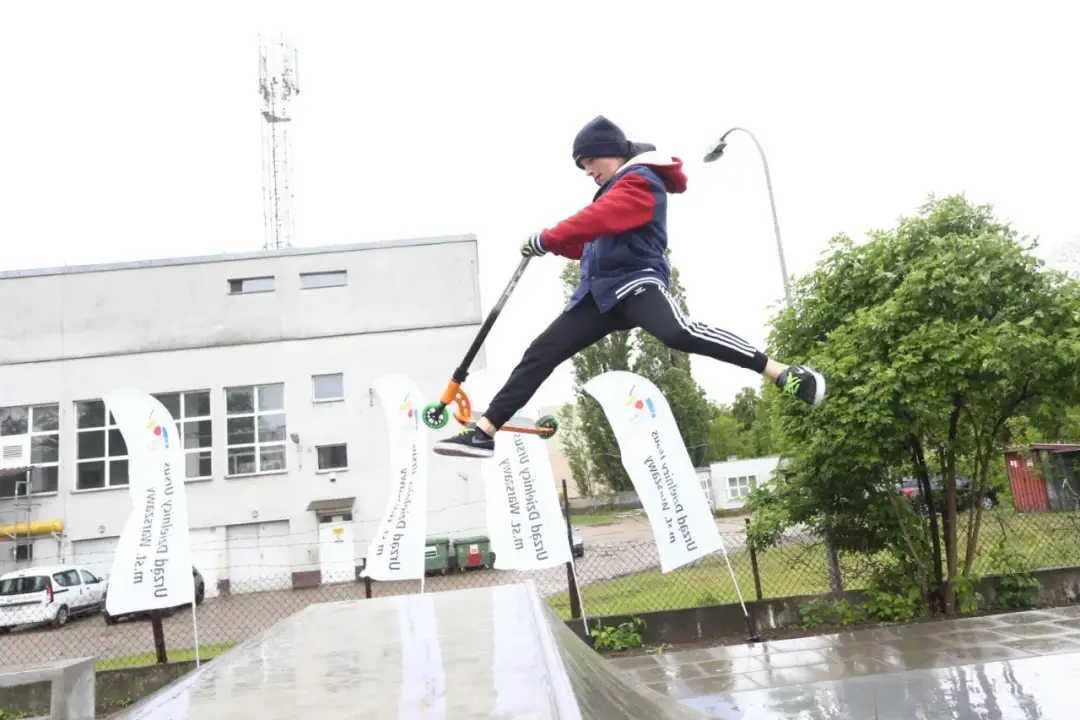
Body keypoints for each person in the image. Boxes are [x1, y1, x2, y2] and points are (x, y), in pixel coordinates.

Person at [433, 115, 826, 458]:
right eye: (582, 165)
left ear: (611, 152)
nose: (587, 170)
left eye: (590, 161)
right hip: (597, 296)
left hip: (637, 284)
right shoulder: (612, 188)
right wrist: (550, 246)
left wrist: (549, 236)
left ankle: (781, 372)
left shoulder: (641, 181)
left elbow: (601, 218)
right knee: (541, 351)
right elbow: (592, 241)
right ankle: (484, 433)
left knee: (677, 332)